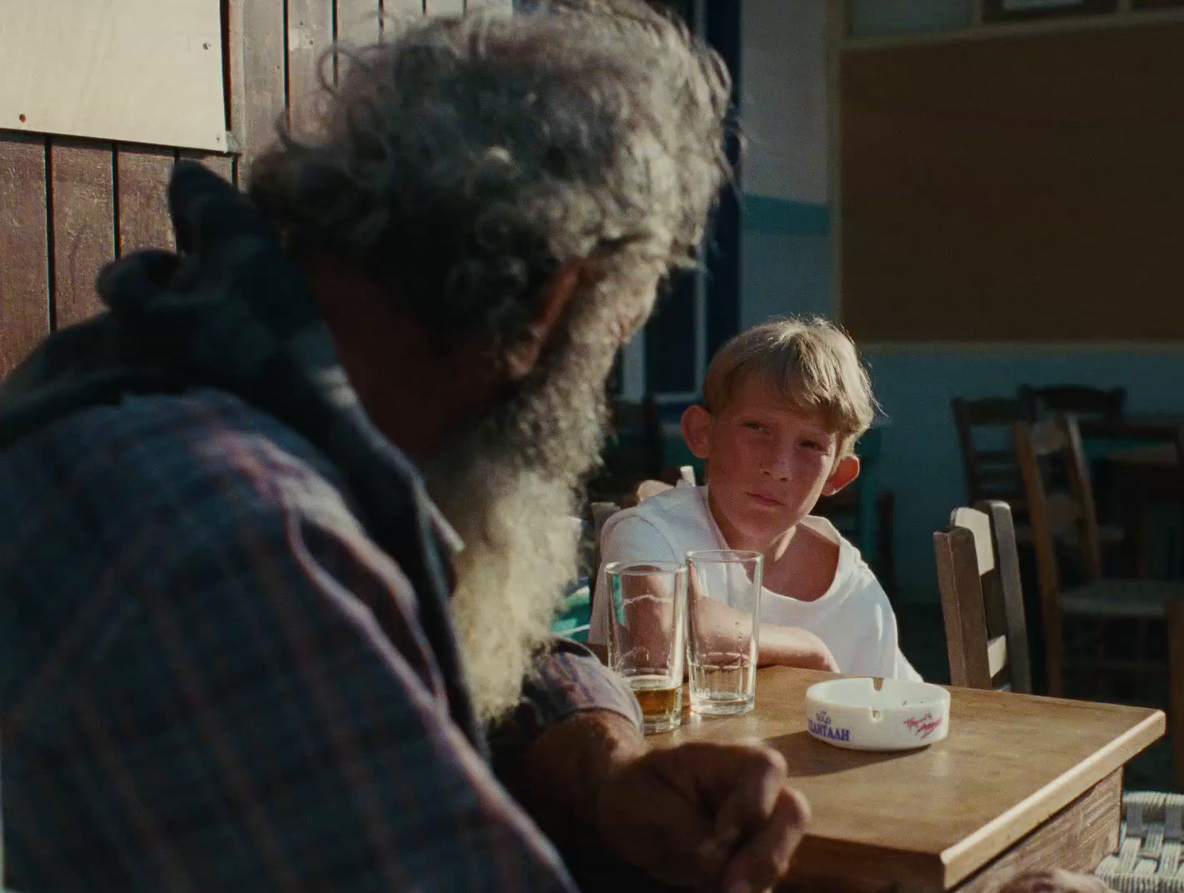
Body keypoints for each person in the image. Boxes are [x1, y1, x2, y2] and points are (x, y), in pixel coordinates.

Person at [0, 4, 811, 891]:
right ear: (553, 294)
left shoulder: (226, 393)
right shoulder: (241, 536)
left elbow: (504, 647)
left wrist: (604, 770)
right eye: (614, 328)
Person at [592, 317, 919, 680]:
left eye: (810, 444)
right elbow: (653, 639)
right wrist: (805, 648)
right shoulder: (653, 532)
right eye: (757, 428)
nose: (778, 466)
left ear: (837, 476)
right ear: (701, 433)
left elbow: (896, 707)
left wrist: (709, 621)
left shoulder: (855, 593)